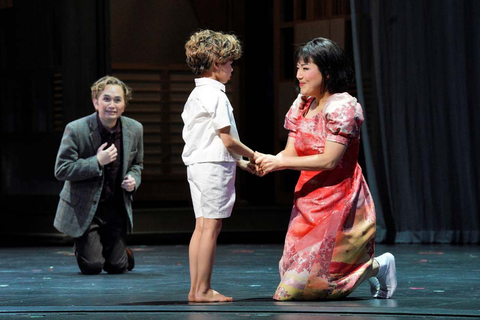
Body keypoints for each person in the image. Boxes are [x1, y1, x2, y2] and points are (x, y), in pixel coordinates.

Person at [255, 37, 397, 300]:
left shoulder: (343, 107)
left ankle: (377, 266)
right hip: (308, 198)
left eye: (306, 68)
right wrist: (267, 162)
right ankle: (375, 267)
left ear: (328, 72)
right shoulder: (302, 104)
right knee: (303, 285)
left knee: (296, 292)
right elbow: (290, 153)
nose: (298, 75)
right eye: (298, 67)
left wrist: (281, 162)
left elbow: (330, 160)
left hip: (338, 199)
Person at [182, 29, 257, 302]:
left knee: (202, 226)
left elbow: (212, 137)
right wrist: (255, 155)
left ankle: (196, 289)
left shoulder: (197, 94)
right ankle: (202, 290)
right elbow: (227, 139)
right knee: (211, 228)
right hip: (212, 166)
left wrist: (241, 161)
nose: (232, 68)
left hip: (200, 164)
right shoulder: (215, 95)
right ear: (217, 64)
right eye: (229, 63)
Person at [54, 75, 143, 275]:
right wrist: (96, 161)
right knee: (92, 266)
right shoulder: (76, 129)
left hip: (115, 207)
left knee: (118, 267)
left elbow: (137, 164)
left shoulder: (135, 129)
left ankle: (116, 250)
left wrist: (134, 179)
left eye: (117, 100)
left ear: (124, 105)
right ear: (96, 102)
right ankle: (85, 245)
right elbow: (61, 169)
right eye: (106, 99)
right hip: (86, 209)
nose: (112, 105)